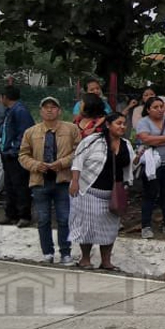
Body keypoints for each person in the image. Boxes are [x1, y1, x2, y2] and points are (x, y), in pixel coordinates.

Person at [18, 96, 81, 265]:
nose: (49, 110)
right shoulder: (31, 132)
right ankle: (47, 252)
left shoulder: (71, 129)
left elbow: (79, 151)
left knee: (64, 218)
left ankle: (66, 252)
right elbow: (23, 155)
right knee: (43, 218)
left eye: (53, 107)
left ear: (59, 110)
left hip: (63, 179)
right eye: (46, 107)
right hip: (40, 180)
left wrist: (62, 163)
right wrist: (36, 165)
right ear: (40, 111)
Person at [69, 112, 133, 270]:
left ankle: (106, 261)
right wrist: (75, 181)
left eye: (124, 123)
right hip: (90, 190)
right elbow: (78, 159)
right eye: (118, 123)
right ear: (108, 125)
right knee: (88, 227)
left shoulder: (126, 144)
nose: (122, 126)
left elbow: (130, 166)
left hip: (112, 194)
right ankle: (85, 259)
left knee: (110, 229)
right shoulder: (92, 141)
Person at [135, 96, 165, 238]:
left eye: (161, 106)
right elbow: (145, 138)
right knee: (150, 194)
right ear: (148, 109)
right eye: (155, 107)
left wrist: (157, 140)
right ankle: (146, 226)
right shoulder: (143, 122)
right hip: (152, 166)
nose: (160, 109)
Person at [0, 85, 36, 227]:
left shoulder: (20, 111)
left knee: (20, 185)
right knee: (10, 185)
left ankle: (24, 215)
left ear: (4, 97)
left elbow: (25, 133)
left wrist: (15, 150)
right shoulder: (9, 111)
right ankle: (11, 213)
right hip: (7, 153)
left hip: (16, 155)